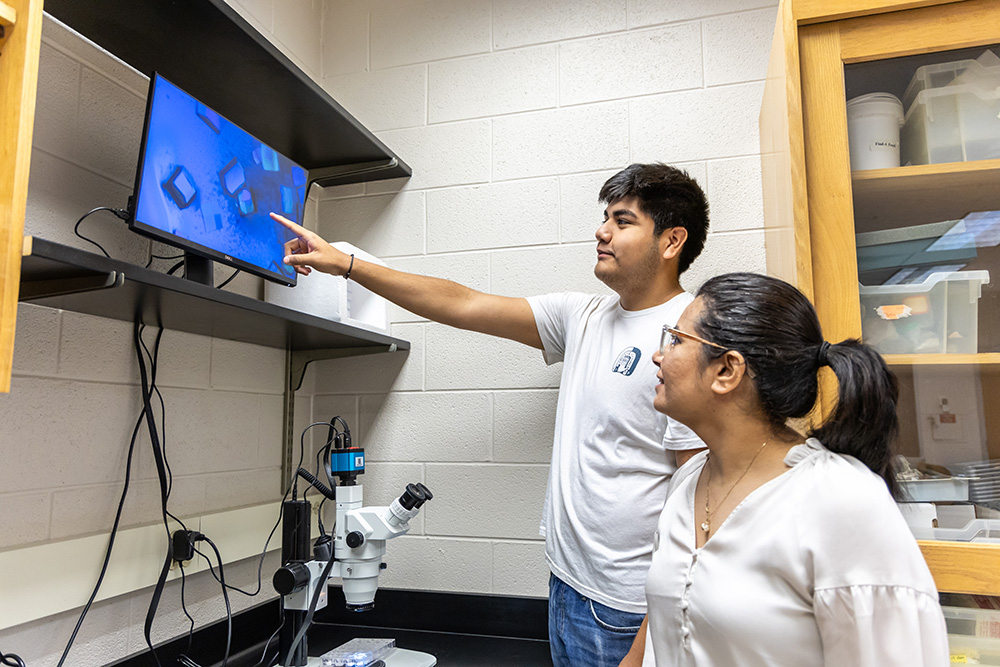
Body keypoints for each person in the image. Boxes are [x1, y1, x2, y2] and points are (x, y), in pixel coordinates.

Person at [271, 163, 711, 667]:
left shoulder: (686, 338)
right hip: (568, 586)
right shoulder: (584, 317)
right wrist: (348, 264)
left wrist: (652, 631)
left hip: (626, 609)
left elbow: (699, 503)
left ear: (672, 240)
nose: (601, 231)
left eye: (623, 220)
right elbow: (462, 303)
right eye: (604, 217)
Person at [619, 272, 949, 667]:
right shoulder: (687, 483)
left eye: (675, 340)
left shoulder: (841, 498)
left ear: (728, 370)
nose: (659, 355)